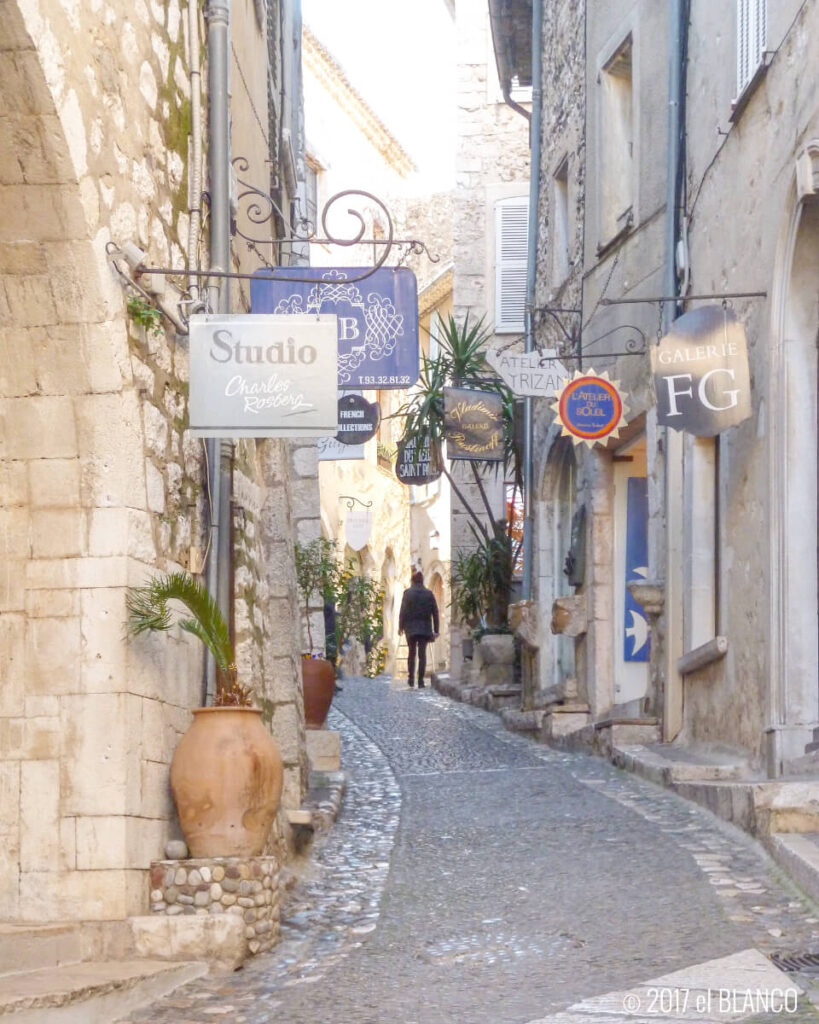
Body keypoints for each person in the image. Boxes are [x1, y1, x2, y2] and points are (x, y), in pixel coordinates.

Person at [398, 570, 439, 689]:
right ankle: (421, 681)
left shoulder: (407, 593)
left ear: (412, 581)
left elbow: (403, 611)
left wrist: (400, 627)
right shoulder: (429, 594)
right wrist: (436, 630)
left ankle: (411, 679)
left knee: (411, 653)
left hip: (410, 627)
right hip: (425, 628)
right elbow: (435, 612)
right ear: (422, 581)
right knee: (422, 655)